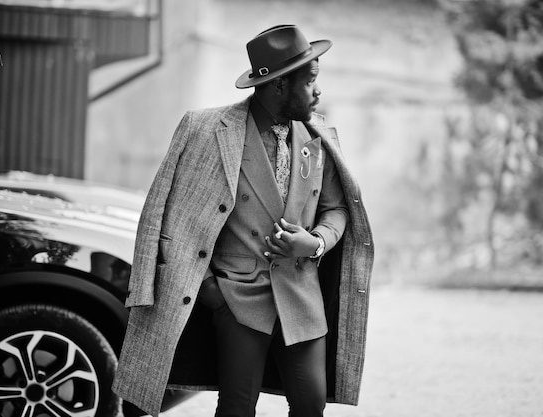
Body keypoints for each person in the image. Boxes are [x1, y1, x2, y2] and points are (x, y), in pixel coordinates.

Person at [112, 25, 374, 417]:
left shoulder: (319, 138)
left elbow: (337, 210)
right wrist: (210, 291)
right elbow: (168, 216)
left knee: (310, 404)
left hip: (301, 295)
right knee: (236, 408)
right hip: (237, 297)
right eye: (310, 81)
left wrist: (315, 242)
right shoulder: (206, 130)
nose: (318, 91)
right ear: (279, 87)